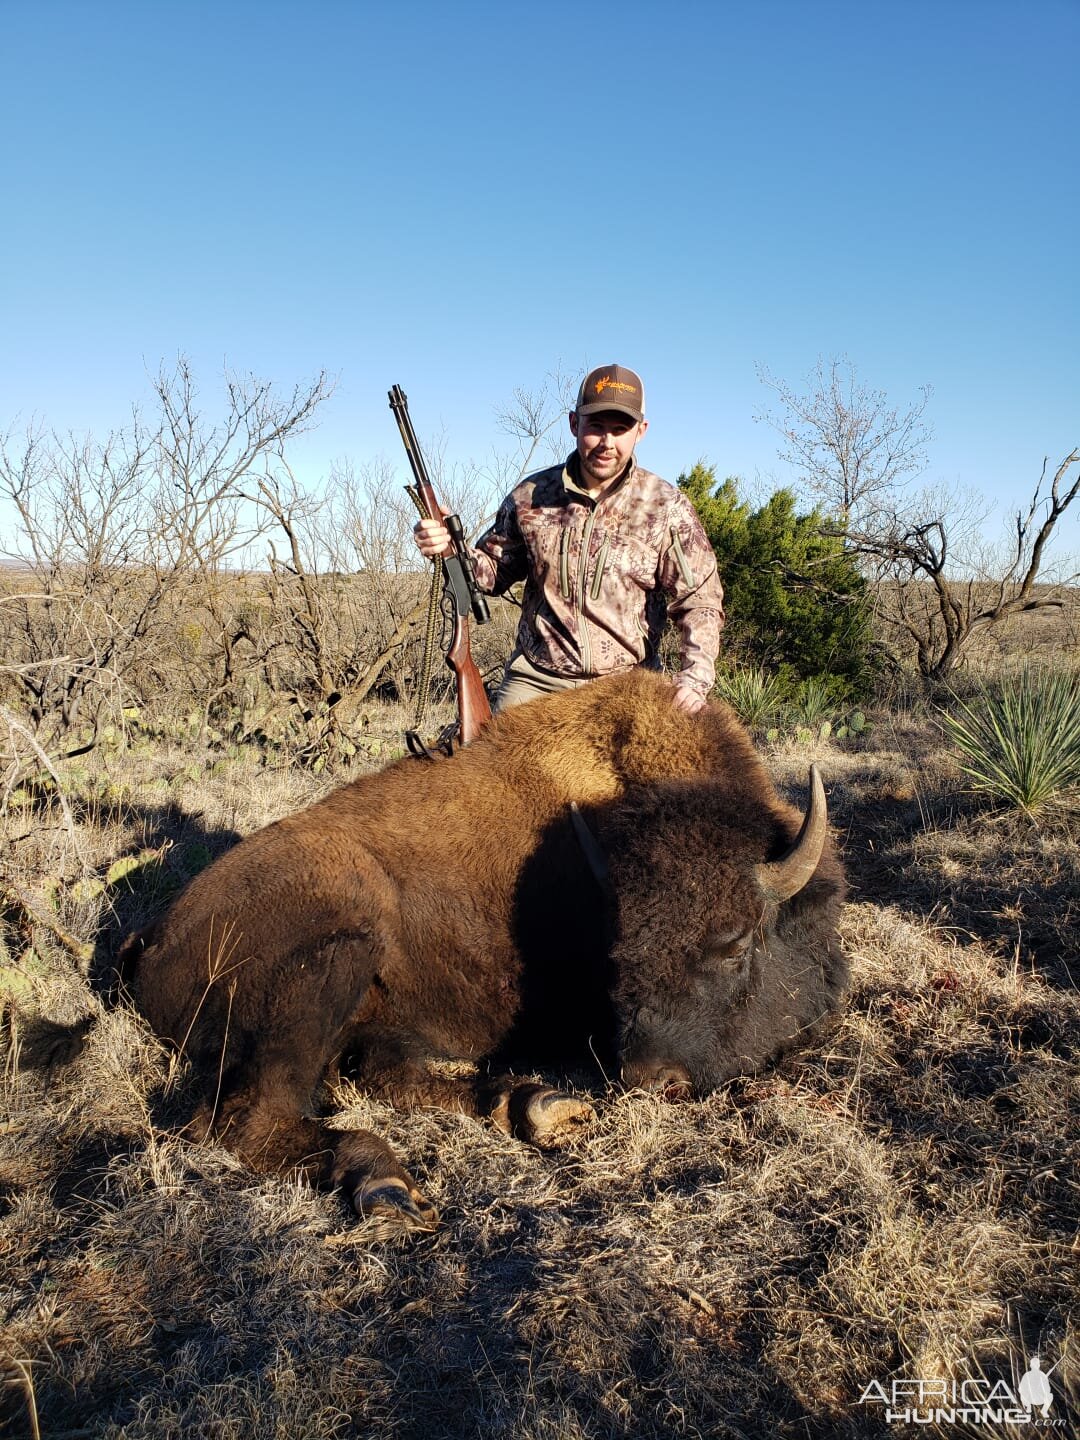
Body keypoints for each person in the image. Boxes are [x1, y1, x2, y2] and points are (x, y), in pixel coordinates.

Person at [413, 363, 724, 715]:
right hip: (538, 679)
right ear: (575, 424)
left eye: (620, 429)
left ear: (641, 431)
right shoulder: (530, 496)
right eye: (596, 427)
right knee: (478, 762)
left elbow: (700, 602)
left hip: (629, 684)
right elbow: (492, 572)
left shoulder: (667, 506)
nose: (607, 443)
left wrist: (694, 680)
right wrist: (450, 550)